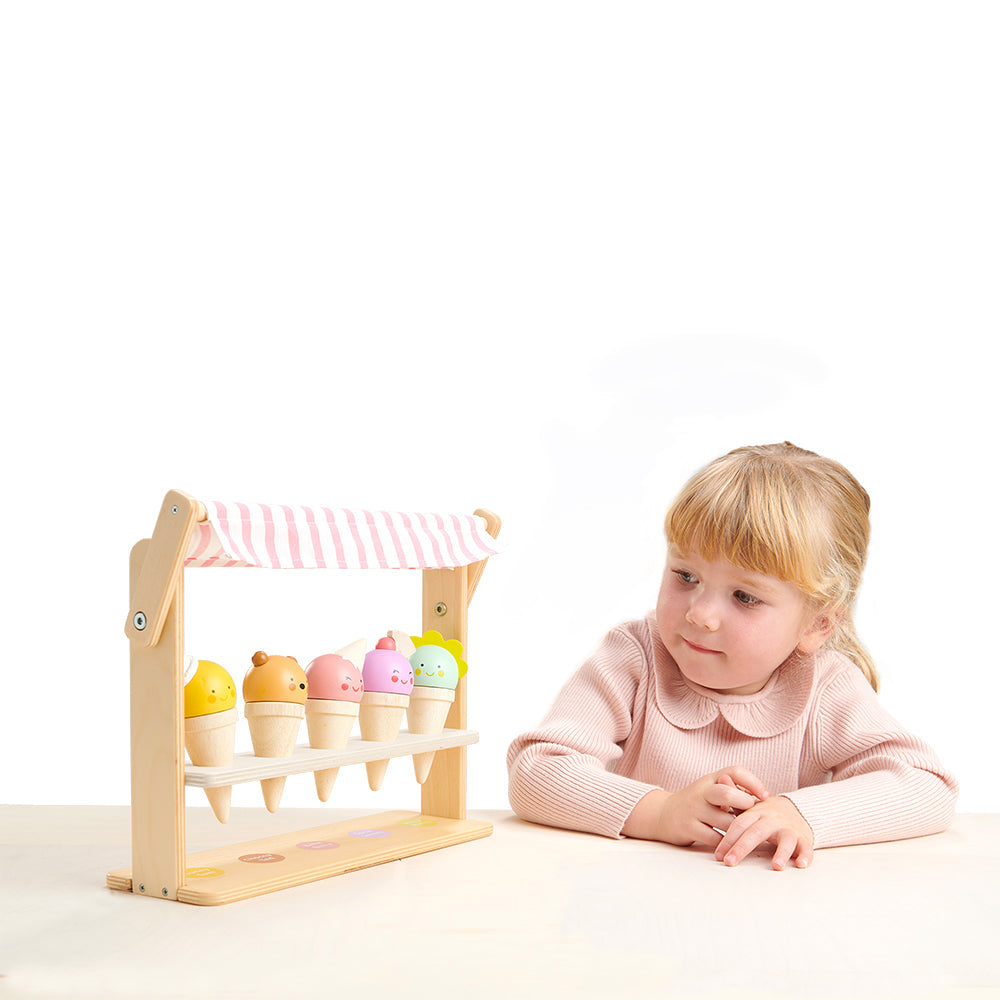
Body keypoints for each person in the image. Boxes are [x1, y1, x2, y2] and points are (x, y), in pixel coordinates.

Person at [507, 442, 957, 870]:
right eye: (686, 575)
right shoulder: (634, 658)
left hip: (772, 908)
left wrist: (801, 813)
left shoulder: (825, 687)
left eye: (744, 596)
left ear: (817, 624)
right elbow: (536, 770)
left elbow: (926, 785)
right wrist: (660, 812)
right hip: (636, 900)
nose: (700, 615)